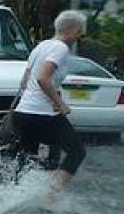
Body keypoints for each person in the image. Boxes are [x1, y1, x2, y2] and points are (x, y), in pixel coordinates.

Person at [13, 10, 88, 198]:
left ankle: (14, 197)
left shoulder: (41, 46)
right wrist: (60, 103)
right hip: (41, 114)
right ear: (71, 30)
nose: (80, 36)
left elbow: (25, 81)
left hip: (23, 112)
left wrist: (53, 93)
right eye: (80, 31)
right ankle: (50, 197)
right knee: (77, 151)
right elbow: (43, 78)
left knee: (28, 159)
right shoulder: (60, 48)